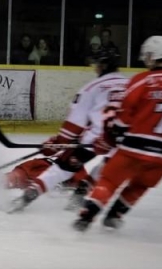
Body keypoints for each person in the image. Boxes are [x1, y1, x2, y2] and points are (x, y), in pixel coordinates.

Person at [72, 36, 162, 231]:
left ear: (152, 57)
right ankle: (115, 215)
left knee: (109, 180)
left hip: (135, 146)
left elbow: (123, 115)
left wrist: (112, 135)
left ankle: (86, 217)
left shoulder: (142, 80)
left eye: (147, 56)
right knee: (141, 185)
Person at [9, 48, 128, 212]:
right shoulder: (131, 85)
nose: (95, 67)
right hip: (128, 139)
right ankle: (80, 194)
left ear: (104, 65)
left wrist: (58, 143)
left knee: (61, 169)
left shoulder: (92, 87)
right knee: (108, 165)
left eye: (97, 64)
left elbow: (75, 124)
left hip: (97, 136)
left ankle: (27, 197)